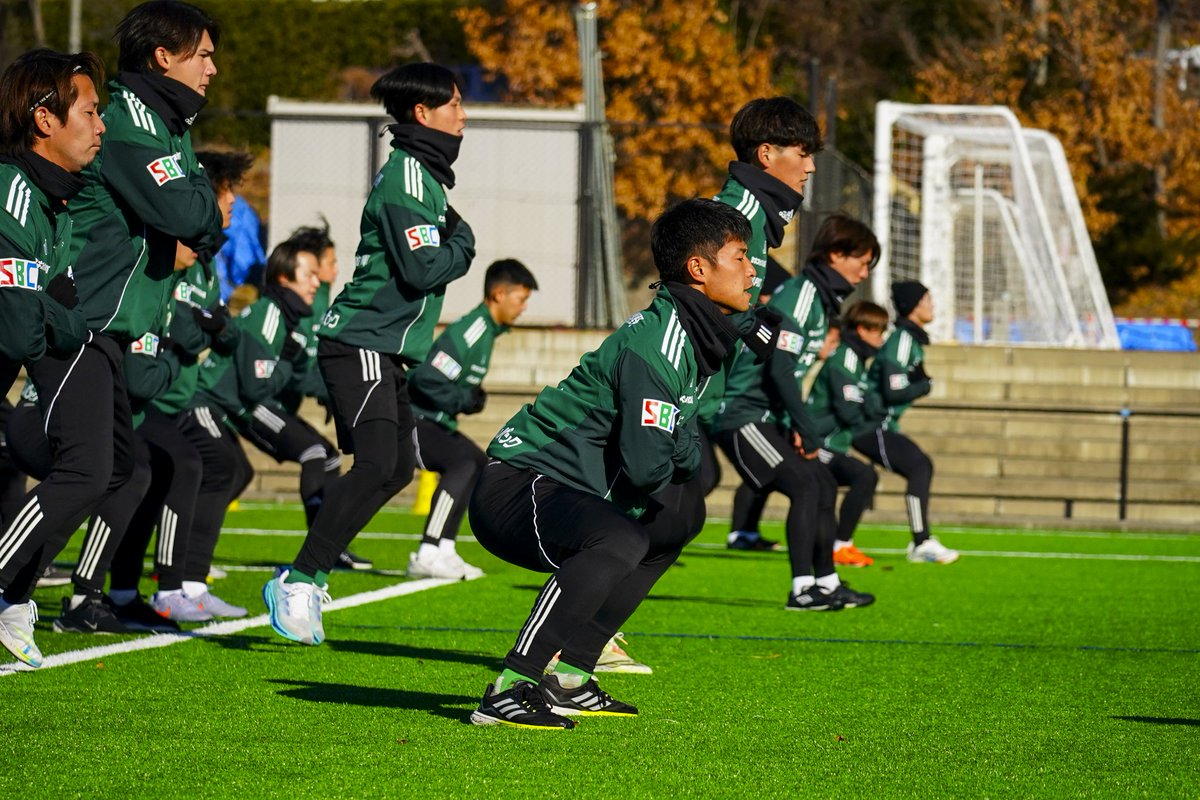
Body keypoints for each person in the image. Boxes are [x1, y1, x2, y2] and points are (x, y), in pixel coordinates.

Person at [467, 198, 752, 730]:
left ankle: (571, 676)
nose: (752, 269)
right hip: (517, 485)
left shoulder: (694, 337)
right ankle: (512, 684)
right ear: (699, 269)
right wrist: (678, 448)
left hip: (564, 487)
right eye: (740, 256)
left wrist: (679, 448)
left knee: (678, 519)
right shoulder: (659, 343)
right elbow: (651, 466)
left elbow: (683, 446)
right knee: (620, 539)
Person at [0, 2, 223, 666]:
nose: (212, 67)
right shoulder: (130, 125)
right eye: (202, 53)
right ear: (165, 55)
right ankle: (25, 590)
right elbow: (189, 212)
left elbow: (201, 218)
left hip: (92, 329)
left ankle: (19, 596)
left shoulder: (161, 126)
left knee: (117, 466)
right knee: (89, 467)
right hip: (82, 325)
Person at [263, 61, 475, 646]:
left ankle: (305, 574)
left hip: (381, 349)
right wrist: (466, 244)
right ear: (422, 114)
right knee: (382, 465)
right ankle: (300, 578)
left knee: (398, 467)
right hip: (359, 341)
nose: (464, 115)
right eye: (454, 104)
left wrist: (453, 240)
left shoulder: (424, 180)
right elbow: (424, 266)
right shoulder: (408, 178)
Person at [711, 213, 879, 611]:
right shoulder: (801, 295)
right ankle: (802, 588)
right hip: (742, 416)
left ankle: (827, 582)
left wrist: (794, 424)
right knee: (806, 485)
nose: (865, 272)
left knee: (820, 482)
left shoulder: (819, 302)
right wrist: (806, 426)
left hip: (768, 417)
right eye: (863, 261)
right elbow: (780, 368)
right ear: (837, 254)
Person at [0, 48, 108, 667]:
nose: (99, 126)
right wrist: (56, 319)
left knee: (98, 468)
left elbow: (59, 308)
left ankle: (13, 598)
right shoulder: (13, 192)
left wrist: (55, 317)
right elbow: (22, 331)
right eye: (90, 112)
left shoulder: (51, 204)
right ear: (45, 119)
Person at [711, 96, 820, 552]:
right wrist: (760, 331)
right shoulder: (736, 216)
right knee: (663, 516)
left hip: (696, 395)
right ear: (766, 154)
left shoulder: (753, 217)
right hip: (674, 390)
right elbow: (694, 303)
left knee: (676, 517)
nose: (810, 167)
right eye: (802, 152)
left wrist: (759, 322)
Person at [407, 258, 537, 579]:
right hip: (412, 421)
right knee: (462, 464)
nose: (523, 309)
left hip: (436, 422)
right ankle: (427, 550)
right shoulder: (471, 330)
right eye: (520, 300)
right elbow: (425, 379)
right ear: (498, 295)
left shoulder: (488, 332)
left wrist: (467, 398)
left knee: (478, 462)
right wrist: (464, 399)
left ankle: (445, 549)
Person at [854, 281, 958, 564]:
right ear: (914, 306)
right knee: (919, 466)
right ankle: (920, 541)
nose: (932, 305)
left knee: (880, 475)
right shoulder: (902, 340)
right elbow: (893, 389)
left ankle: (841, 541)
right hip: (870, 425)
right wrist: (924, 386)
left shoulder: (910, 340)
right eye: (927, 299)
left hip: (881, 425)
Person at [807, 303, 884, 567]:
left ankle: (838, 544)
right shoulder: (846, 359)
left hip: (836, 442)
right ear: (862, 329)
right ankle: (839, 545)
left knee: (858, 479)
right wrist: (870, 411)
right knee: (864, 475)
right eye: (878, 331)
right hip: (820, 441)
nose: (881, 339)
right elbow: (849, 410)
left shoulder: (857, 360)